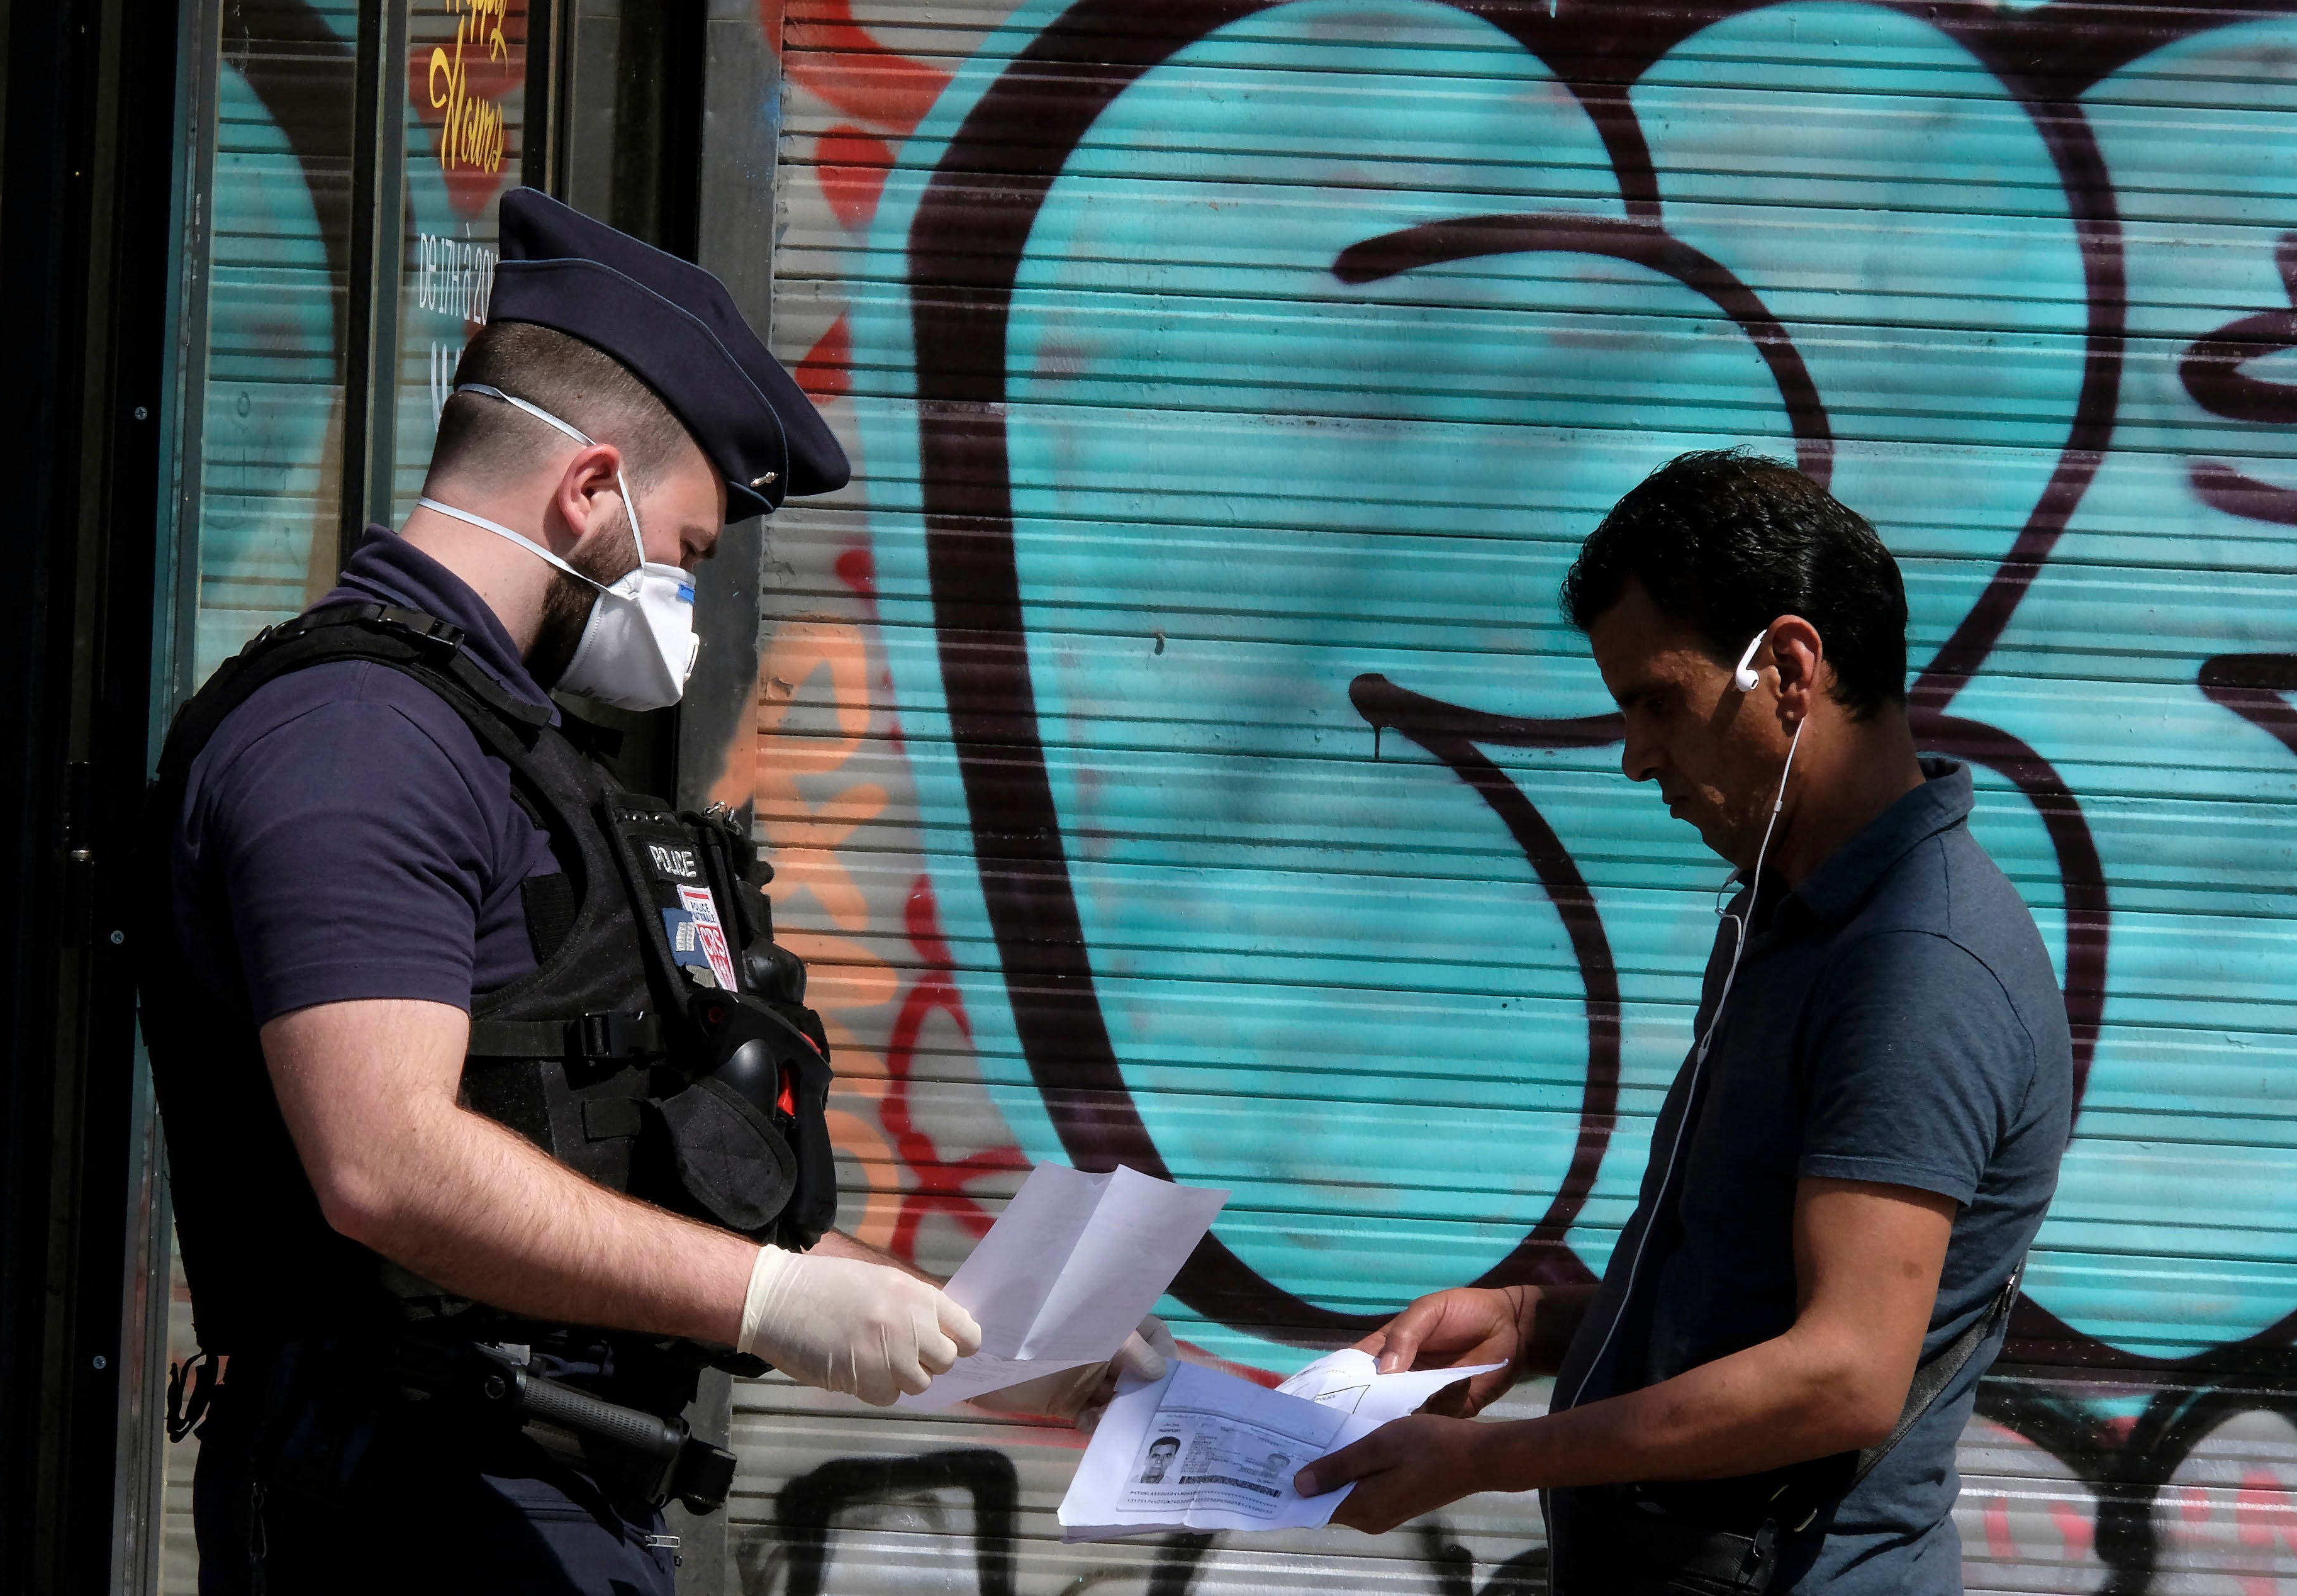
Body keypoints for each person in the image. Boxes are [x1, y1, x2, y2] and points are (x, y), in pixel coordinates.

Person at [137, 190, 1163, 1596]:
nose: (682, 595)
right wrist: (773, 1300)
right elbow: (383, 1160)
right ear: (588, 489)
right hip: (401, 1517)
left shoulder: (501, 750)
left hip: (532, 1505)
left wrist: (987, 1348)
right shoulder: (357, 741)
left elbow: (601, 1169)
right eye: (686, 550)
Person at [1295, 450, 2071, 1593]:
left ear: (1791, 669)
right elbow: (1737, 1286)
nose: (1635, 755)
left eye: (1657, 700)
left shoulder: (1918, 960)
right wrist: (1530, 1321)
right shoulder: (1794, 906)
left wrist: (1482, 1460)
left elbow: (1843, 1368)